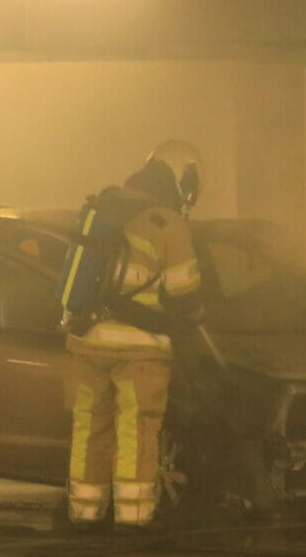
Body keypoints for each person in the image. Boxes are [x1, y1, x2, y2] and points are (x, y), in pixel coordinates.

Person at [63, 139, 206, 534]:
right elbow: (186, 294)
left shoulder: (104, 207)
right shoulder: (167, 223)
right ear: (180, 180)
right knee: (137, 433)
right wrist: (196, 317)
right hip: (139, 352)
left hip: (87, 343)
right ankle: (133, 519)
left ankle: (85, 515)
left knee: (89, 429)